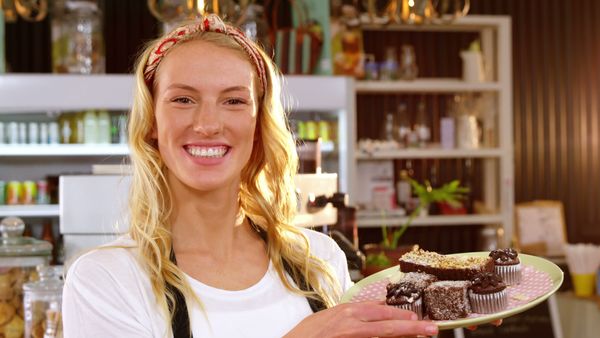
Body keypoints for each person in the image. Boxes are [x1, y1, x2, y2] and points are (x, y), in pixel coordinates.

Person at [62, 14, 439, 338]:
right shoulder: (107, 279)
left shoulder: (319, 260)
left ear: (258, 125)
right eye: (182, 99)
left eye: (234, 101)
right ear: (152, 124)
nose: (208, 124)